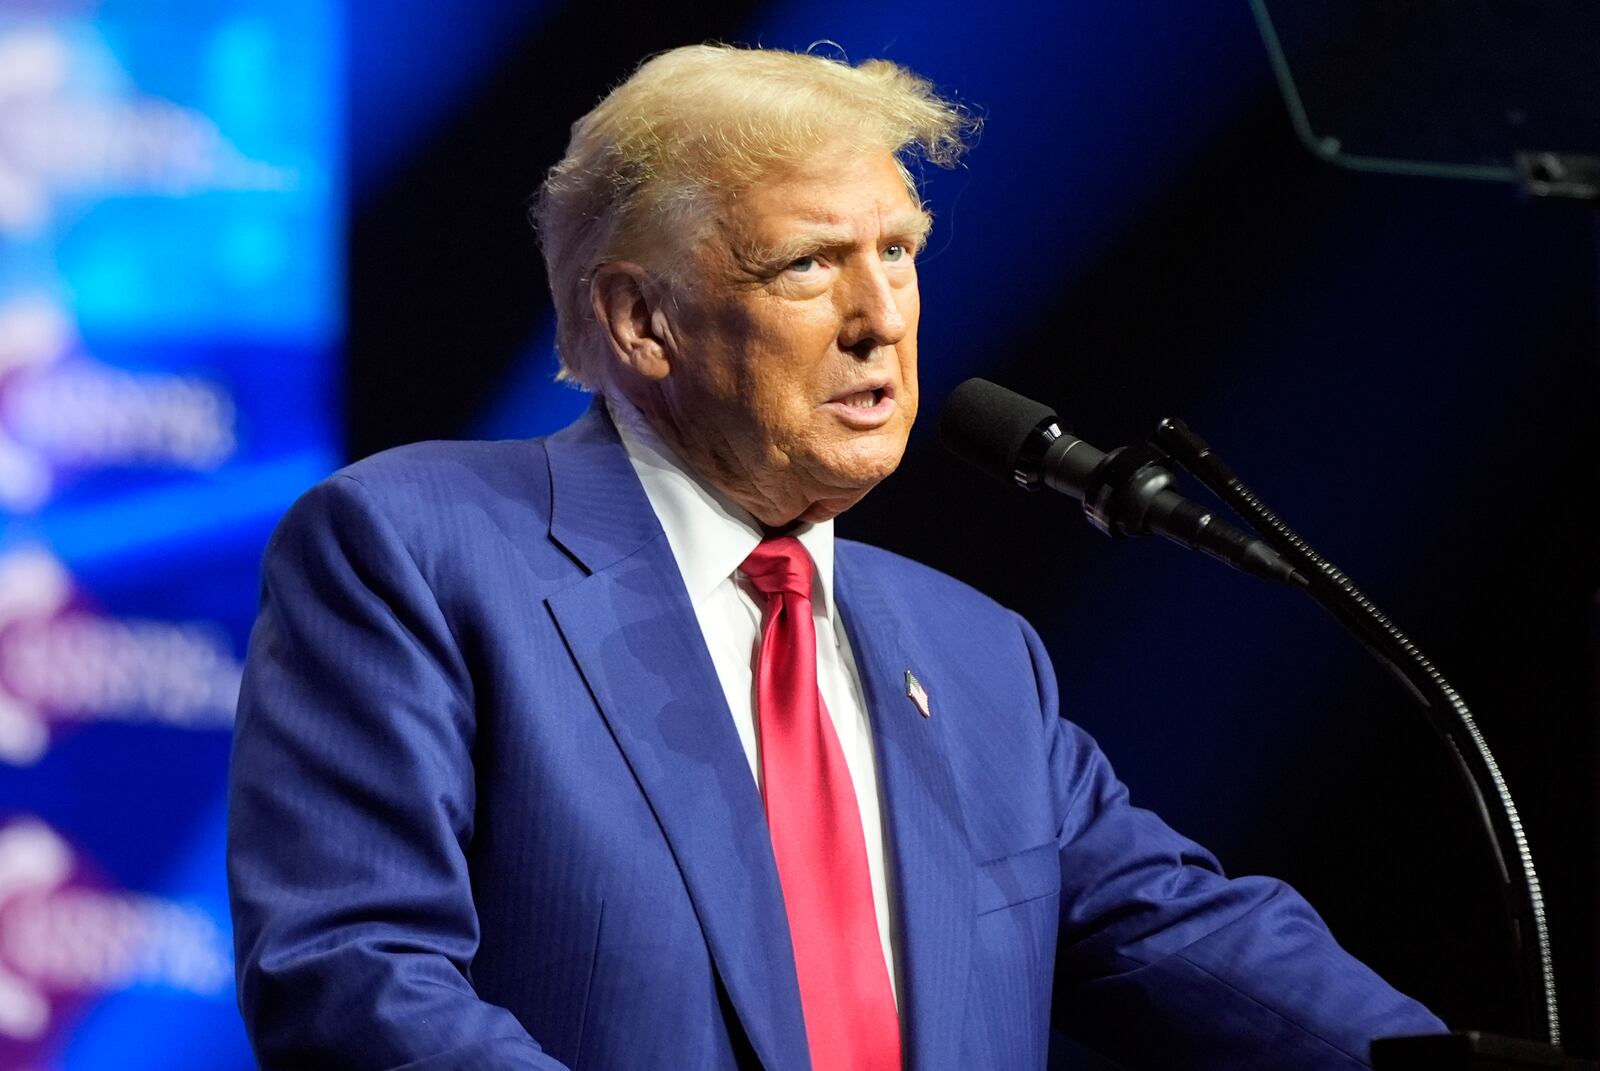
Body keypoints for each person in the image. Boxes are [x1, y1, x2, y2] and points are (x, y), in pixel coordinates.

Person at [227, 44, 1445, 1070]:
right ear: (640, 320)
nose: (882, 316)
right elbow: (352, 978)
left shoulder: (976, 654)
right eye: (810, 263)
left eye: (899, 251)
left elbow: (1178, 933)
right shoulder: (418, 547)